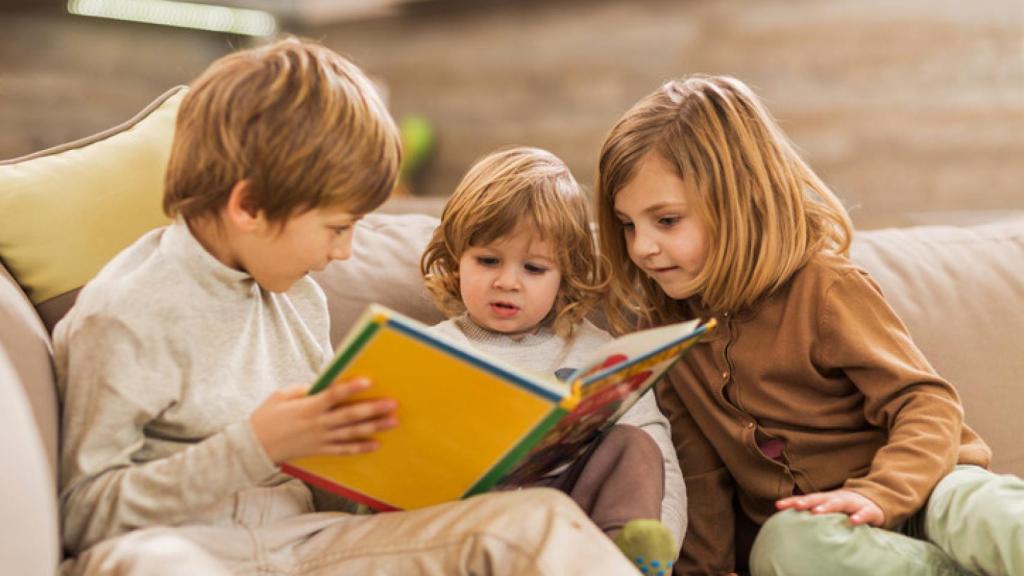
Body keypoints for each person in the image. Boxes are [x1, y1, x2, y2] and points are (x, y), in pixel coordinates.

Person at [53, 39, 642, 576]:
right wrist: (256, 447)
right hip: (180, 551)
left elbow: (334, 490)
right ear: (250, 206)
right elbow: (83, 515)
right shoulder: (124, 314)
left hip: (312, 545)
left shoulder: (298, 298)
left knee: (535, 523)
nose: (345, 251)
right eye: (337, 227)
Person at [593, 74, 1024, 575]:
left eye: (666, 221)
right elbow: (702, 475)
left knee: (982, 511)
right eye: (627, 225)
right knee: (785, 546)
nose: (642, 246)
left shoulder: (823, 288)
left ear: (740, 202)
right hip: (831, 533)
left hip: (927, 488)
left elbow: (926, 404)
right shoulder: (668, 338)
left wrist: (882, 493)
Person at [421, 146, 686, 575]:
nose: (507, 282)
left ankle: (625, 558)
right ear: (455, 263)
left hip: (581, 530)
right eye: (488, 261)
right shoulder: (428, 349)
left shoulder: (597, 351)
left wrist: (662, 543)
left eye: (534, 268)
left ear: (566, 275)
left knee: (634, 443)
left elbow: (657, 458)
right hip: (475, 525)